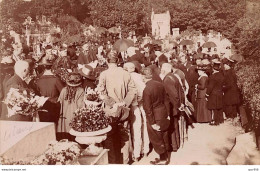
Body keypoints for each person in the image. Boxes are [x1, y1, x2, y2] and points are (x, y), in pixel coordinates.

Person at [98, 51, 137, 164]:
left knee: (109, 136)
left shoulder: (104, 74)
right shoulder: (126, 73)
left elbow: (101, 92)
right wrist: (124, 103)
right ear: (118, 61)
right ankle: (125, 161)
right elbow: (133, 90)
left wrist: (112, 103)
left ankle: (113, 162)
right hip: (124, 109)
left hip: (109, 110)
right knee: (124, 135)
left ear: (107, 61)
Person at [142, 67, 170, 165]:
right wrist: (168, 114)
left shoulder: (146, 90)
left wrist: (152, 123)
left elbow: (148, 109)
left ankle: (163, 159)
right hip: (163, 113)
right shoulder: (160, 84)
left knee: (157, 139)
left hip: (155, 117)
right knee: (164, 136)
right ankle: (165, 157)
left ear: (143, 77)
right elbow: (166, 100)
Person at [123, 62, 149, 161]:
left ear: (126, 69)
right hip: (143, 103)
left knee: (136, 128)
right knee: (145, 126)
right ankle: (145, 150)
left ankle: (137, 153)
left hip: (134, 104)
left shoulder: (127, 77)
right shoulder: (140, 76)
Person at [160, 63, 183, 152]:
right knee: (175, 125)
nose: (161, 70)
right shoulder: (174, 77)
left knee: (172, 126)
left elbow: (174, 95)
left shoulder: (167, 79)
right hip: (176, 106)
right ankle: (177, 143)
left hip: (172, 107)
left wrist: (175, 106)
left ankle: (174, 146)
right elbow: (180, 91)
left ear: (164, 70)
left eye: (161, 68)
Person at [57, 72, 85, 141]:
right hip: (74, 117)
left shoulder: (64, 90)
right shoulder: (80, 90)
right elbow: (81, 106)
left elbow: (59, 102)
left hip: (64, 117)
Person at [36, 59, 64, 124]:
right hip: (54, 105)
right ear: (52, 67)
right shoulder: (56, 79)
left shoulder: (38, 80)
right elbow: (63, 92)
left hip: (43, 105)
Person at [206, 59, 225, 125]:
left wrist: (207, 94)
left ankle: (215, 121)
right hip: (220, 92)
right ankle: (221, 120)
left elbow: (210, 87)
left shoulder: (212, 77)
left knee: (215, 108)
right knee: (220, 107)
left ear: (213, 68)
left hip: (214, 94)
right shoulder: (221, 75)